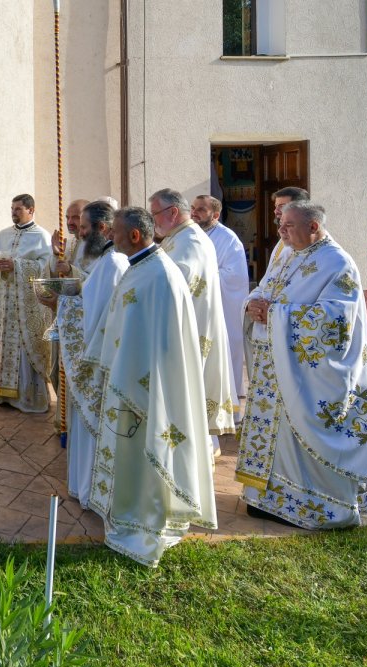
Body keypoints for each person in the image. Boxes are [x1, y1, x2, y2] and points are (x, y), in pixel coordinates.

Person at [83, 207, 217, 566]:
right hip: (130, 380)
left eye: (117, 232)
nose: (111, 238)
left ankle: (145, 517)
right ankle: (130, 509)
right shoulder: (142, 268)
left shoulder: (157, 275)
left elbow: (157, 340)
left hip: (146, 387)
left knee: (145, 448)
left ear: (136, 236)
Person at [237, 202, 367, 528]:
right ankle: (267, 499)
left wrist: (275, 314)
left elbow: (338, 322)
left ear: (313, 226)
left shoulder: (337, 263)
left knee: (299, 435)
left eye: (288, 225)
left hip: (310, 374)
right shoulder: (286, 253)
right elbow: (265, 288)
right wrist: (252, 302)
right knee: (276, 437)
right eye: (280, 224)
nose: (281, 231)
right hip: (275, 368)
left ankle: (320, 507)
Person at [50, 200, 129, 507]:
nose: (80, 233)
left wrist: (67, 303)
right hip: (91, 356)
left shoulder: (114, 263)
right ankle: (84, 485)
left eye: (84, 227)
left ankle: (92, 489)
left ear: (103, 228)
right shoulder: (104, 257)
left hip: (98, 360)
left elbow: (98, 311)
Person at [149, 188, 236, 443]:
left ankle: (193, 450)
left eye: (155, 214)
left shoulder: (191, 241)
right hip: (184, 327)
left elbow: (174, 283)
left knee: (188, 393)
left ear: (173, 212)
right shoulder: (180, 237)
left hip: (191, 330)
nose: (153, 220)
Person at [0, 194, 57, 412]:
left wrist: (17, 266)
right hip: (3, 307)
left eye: (18, 209)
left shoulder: (41, 236)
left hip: (25, 308)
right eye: (12, 209)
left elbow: (47, 268)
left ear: (31, 210)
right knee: (1, 347)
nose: (13, 213)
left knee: (24, 349)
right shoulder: (2, 235)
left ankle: (27, 399)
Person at [192, 194, 249, 425]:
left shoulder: (228, 239)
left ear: (215, 214)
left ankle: (229, 412)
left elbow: (234, 277)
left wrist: (199, 277)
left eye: (201, 210)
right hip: (199, 307)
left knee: (226, 355)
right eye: (193, 208)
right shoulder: (192, 235)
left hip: (223, 310)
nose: (194, 212)